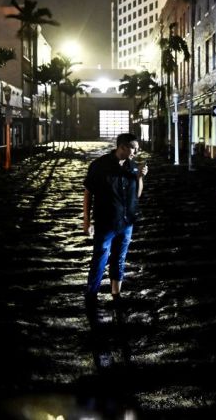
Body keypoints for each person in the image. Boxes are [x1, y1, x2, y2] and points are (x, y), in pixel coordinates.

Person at [83, 133, 148, 310]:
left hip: (127, 222)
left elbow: (137, 195)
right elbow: (88, 192)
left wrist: (140, 177)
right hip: (105, 222)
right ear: (123, 147)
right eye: (134, 147)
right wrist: (87, 221)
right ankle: (91, 294)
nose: (136, 151)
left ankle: (116, 295)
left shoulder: (132, 166)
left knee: (120, 258)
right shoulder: (99, 166)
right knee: (100, 257)